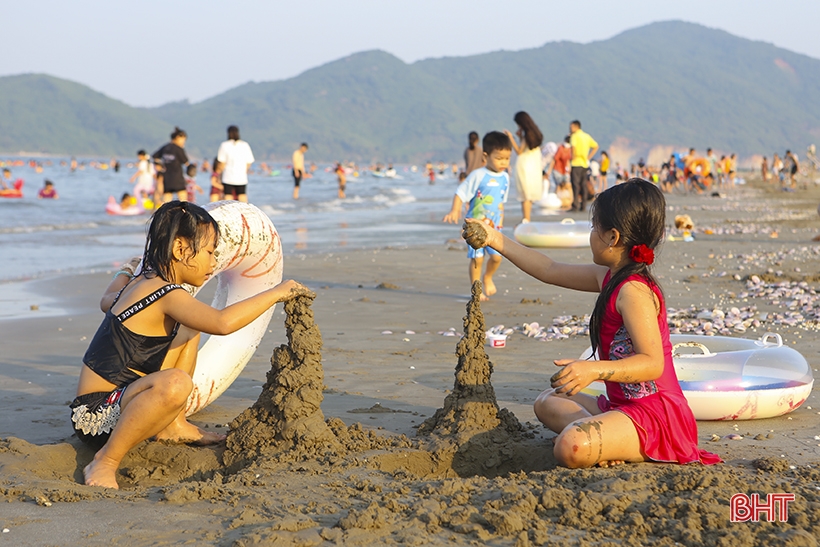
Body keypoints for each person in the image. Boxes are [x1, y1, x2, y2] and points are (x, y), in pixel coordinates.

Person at [461, 179, 722, 468]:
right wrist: (494, 239)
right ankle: (608, 440)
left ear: (612, 237)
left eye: (594, 228)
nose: (591, 235)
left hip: (656, 416)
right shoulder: (609, 276)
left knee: (570, 447)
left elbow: (652, 364)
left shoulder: (634, 292)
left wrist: (593, 370)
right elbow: (550, 269)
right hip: (620, 407)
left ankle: (603, 441)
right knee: (547, 402)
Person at [71, 201, 311, 489]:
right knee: (175, 383)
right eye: (210, 252)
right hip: (94, 416)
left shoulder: (143, 282)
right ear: (180, 250)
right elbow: (222, 323)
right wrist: (276, 292)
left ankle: (174, 424)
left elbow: (106, 300)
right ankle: (105, 461)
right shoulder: (167, 294)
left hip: (121, 400)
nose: (213, 262)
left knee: (191, 322)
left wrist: (125, 269)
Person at [443, 131, 511, 301]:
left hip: (495, 227)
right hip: (476, 228)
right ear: (486, 156)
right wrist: (455, 210)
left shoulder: (505, 178)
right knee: (477, 260)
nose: (503, 162)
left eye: (507, 158)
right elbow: (460, 192)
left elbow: (500, 202)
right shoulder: (478, 175)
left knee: (496, 258)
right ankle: (476, 290)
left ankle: (487, 277)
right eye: (499, 158)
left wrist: (501, 221)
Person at [505, 112, 544, 223]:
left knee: (525, 196)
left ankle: (525, 220)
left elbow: (519, 151)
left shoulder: (527, 134)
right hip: (534, 165)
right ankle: (527, 219)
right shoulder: (535, 133)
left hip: (525, 164)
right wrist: (520, 137)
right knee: (529, 195)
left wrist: (511, 138)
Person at [216, 125, 255, 203]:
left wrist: (218, 175)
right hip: (241, 177)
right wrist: (244, 170)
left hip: (228, 176)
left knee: (228, 197)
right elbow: (249, 162)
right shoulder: (244, 145)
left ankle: (229, 213)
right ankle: (245, 213)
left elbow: (222, 163)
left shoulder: (224, 145)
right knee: (242, 196)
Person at [152, 127, 190, 203]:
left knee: (167, 201)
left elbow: (154, 157)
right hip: (178, 178)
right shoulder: (178, 149)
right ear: (178, 137)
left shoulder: (165, 147)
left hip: (167, 178)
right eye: (183, 139)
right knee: (183, 200)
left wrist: (159, 166)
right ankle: (184, 214)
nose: (184, 142)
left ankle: (166, 214)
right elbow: (186, 162)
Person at [568, 120, 598, 212]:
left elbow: (573, 148)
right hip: (584, 164)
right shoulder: (586, 136)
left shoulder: (574, 136)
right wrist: (588, 157)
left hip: (576, 163)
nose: (570, 129)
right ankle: (583, 205)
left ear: (576, 127)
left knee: (575, 185)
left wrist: (572, 158)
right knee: (583, 184)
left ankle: (575, 205)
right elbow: (596, 146)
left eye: (571, 127)